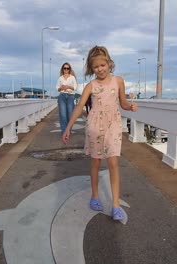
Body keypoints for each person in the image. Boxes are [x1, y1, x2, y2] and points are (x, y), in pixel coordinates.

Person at [62, 46, 138, 221]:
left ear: (109, 64)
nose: (100, 69)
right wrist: (68, 127)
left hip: (113, 125)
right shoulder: (91, 85)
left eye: (103, 65)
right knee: (96, 162)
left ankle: (116, 205)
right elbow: (80, 106)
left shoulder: (118, 81)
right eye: (96, 67)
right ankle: (95, 196)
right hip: (95, 126)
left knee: (113, 162)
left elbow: (123, 103)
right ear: (91, 68)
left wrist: (130, 107)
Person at [56, 62, 78, 133]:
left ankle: (68, 129)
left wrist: (68, 86)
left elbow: (75, 87)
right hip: (62, 96)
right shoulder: (60, 78)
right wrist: (61, 87)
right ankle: (64, 131)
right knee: (63, 115)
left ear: (69, 69)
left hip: (70, 96)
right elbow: (57, 88)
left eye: (67, 68)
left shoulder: (72, 77)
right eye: (64, 68)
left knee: (70, 114)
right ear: (62, 69)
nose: (66, 70)